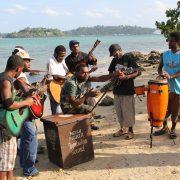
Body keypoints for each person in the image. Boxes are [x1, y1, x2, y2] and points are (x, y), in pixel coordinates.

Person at [0, 55, 34, 180]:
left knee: (10, 155)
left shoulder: (4, 77)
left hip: (6, 123)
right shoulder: (6, 80)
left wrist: (25, 99)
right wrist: (26, 103)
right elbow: (8, 104)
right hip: (4, 125)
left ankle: (11, 177)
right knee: (4, 159)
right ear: (19, 68)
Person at [13, 47, 40, 178]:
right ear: (20, 62)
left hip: (19, 112)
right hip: (22, 112)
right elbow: (26, 90)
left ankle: (26, 164)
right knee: (30, 136)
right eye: (27, 61)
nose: (29, 64)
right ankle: (28, 169)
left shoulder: (17, 75)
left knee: (25, 138)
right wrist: (40, 88)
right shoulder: (20, 77)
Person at [108, 44, 141, 140]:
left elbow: (138, 71)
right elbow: (110, 73)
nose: (115, 56)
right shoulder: (114, 61)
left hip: (127, 90)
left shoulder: (128, 58)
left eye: (115, 54)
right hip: (117, 90)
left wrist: (126, 77)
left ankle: (131, 131)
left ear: (120, 50)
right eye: (113, 55)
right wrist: (114, 75)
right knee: (119, 112)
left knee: (128, 112)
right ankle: (123, 129)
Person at [154, 32, 180, 139]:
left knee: (175, 110)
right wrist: (161, 74)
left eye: (171, 41)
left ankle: (173, 129)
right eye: (168, 40)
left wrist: (171, 76)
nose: (169, 42)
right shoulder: (165, 54)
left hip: (178, 89)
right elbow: (159, 68)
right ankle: (164, 127)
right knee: (163, 109)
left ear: (178, 42)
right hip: (165, 87)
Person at [47, 45, 69, 114]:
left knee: (65, 108)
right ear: (55, 54)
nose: (62, 58)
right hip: (53, 86)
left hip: (62, 85)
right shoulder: (51, 61)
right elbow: (55, 76)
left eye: (64, 56)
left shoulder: (61, 59)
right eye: (61, 56)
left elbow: (67, 71)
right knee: (57, 110)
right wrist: (66, 78)